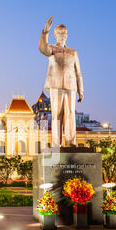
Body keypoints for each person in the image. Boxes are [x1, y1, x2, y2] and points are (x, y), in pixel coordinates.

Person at [39, 16, 84, 147]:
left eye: (64, 33)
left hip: (71, 86)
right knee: (56, 115)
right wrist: (44, 33)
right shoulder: (52, 49)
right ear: (55, 35)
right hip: (56, 85)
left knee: (70, 114)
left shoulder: (73, 52)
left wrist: (81, 91)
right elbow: (42, 48)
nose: (62, 35)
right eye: (60, 33)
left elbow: (78, 72)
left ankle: (71, 142)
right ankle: (56, 143)